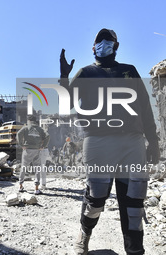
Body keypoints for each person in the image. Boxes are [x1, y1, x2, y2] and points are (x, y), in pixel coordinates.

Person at [60, 28, 160, 255]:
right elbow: (66, 106)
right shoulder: (85, 73)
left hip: (132, 143)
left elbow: (145, 108)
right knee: (96, 198)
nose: (104, 43)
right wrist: (65, 78)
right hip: (98, 142)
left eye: (109, 40)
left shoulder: (129, 71)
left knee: (134, 201)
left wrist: (152, 141)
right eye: (99, 40)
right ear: (93, 47)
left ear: (116, 46)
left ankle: (135, 249)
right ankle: (84, 236)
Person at [17, 115, 50, 195]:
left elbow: (18, 134)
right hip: (37, 150)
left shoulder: (25, 127)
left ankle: (20, 186)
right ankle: (36, 189)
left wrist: (21, 145)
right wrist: (43, 146)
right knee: (37, 169)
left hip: (27, 150)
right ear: (35, 121)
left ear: (28, 121)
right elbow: (47, 136)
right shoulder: (40, 129)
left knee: (23, 167)